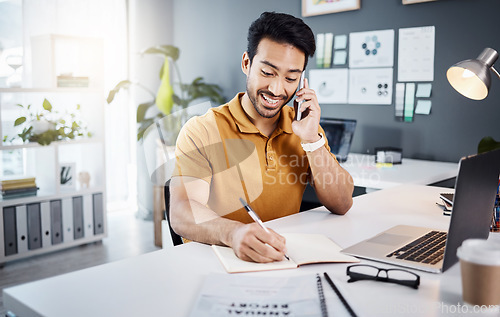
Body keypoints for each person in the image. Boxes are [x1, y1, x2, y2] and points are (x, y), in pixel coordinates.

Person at [169, 11, 354, 263]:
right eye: (267, 72)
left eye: (291, 78)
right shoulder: (202, 130)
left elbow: (342, 203)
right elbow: (181, 212)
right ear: (247, 63)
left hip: (279, 259)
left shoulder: (303, 128)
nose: (277, 89)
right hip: (216, 262)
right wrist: (233, 233)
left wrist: (313, 141)